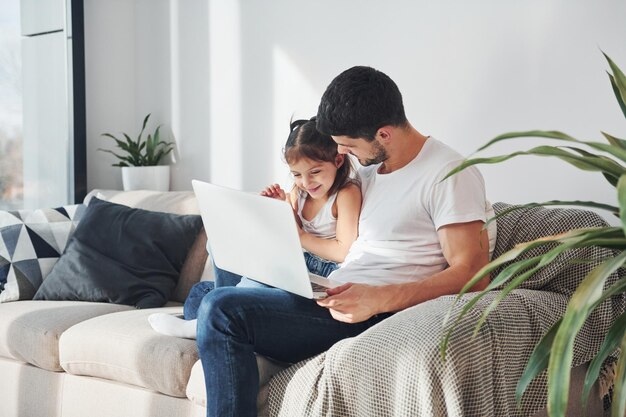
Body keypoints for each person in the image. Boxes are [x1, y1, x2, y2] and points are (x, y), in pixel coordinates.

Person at [196, 66, 497, 417]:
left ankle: (204, 320)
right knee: (229, 253)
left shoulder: (449, 174)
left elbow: (473, 275)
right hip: (332, 292)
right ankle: (202, 317)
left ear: (383, 134)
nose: (341, 153)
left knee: (220, 310)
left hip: (372, 311)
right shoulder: (368, 173)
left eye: (348, 145)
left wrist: (379, 298)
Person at [148, 118, 362, 339]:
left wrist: (299, 235)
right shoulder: (300, 193)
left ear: (337, 160)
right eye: (297, 174)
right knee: (218, 246)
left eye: (315, 172)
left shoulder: (345, 193)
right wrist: (279, 210)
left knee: (227, 289)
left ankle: (203, 322)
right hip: (296, 260)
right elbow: (290, 236)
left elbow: (341, 251)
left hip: (321, 272)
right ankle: (217, 305)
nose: (306, 182)